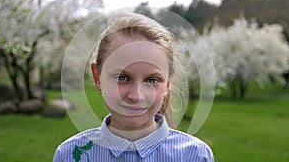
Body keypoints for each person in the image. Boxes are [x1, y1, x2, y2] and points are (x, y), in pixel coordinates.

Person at [53, 12, 214, 162]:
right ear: (98, 77)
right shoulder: (70, 155)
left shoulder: (195, 156)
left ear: (168, 83)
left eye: (152, 80)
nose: (136, 96)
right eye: (122, 78)